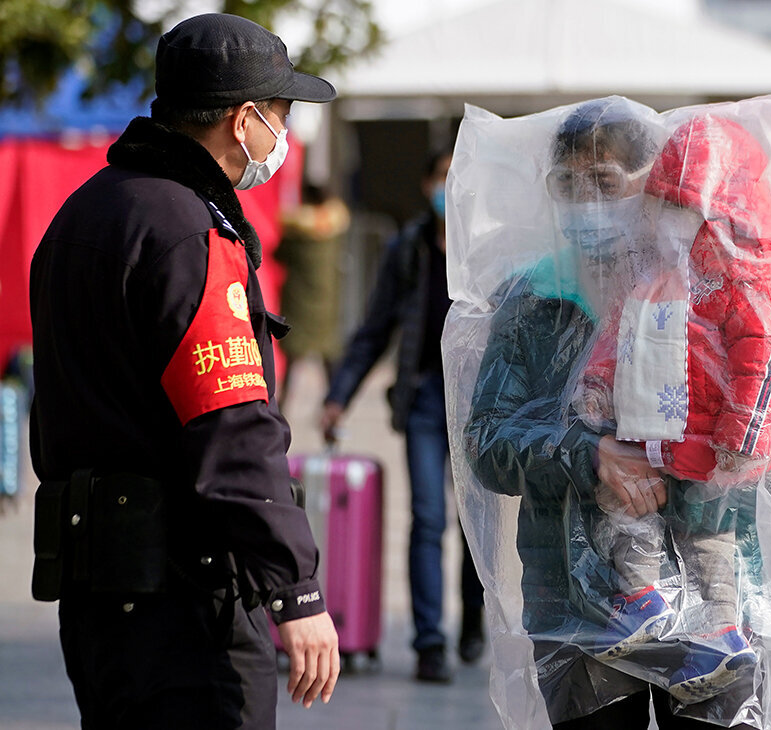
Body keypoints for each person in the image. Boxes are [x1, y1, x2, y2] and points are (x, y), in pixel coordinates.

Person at [458, 97, 771, 729]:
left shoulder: (725, 292)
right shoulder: (535, 298)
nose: (587, 203)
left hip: (714, 606)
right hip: (576, 604)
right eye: (568, 185)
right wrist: (588, 455)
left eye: (605, 183)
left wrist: (706, 468)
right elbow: (486, 442)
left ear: (655, 185)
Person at [28, 13, 339, 729]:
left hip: (98, 593)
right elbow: (231, 427)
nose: (282, 135)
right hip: (185, 600)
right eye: (282, 113)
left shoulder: (86, 212)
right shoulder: (187, 231)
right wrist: (295, 588)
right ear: (243, 119)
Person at [572, 114, 771, 703]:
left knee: (709, 539)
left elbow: (767, 356)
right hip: (655, 439)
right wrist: (599, 386)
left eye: (688, 212)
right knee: (628, 511)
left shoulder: (755, 275)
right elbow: (620, 338)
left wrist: (744, 431)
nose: (674, 226)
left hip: (713, 449)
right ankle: (644, 601)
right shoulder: (657, 276)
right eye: (666, 210)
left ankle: (720, 630)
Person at [321, 150, 485, 683]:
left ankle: (471, 621)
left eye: (458, 178)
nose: (448, 188)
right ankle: (429, 642)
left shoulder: (487, 250)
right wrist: (338, 394)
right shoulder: (408, 250)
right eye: (441, 177)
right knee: (428, 518)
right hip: (422, 400)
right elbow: (374, 330)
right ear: (426, 184)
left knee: (472, 525)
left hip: (478, 405)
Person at [274, 183, 350, 410]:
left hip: (299, 305)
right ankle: (334, 405)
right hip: (326, 305)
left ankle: (283, 407)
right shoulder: (334, 231)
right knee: (329, 361)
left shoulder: (297, 232)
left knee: (292, 361)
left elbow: (278, 254)